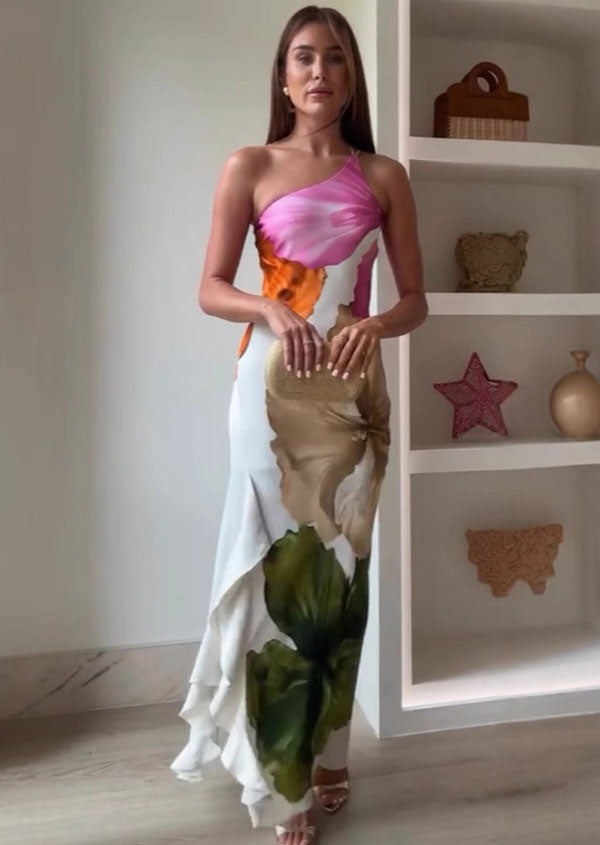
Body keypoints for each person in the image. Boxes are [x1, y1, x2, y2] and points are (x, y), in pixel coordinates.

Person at [169, 5, 427, 843]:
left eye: (336, 58)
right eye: (305, 58)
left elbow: (416, 300)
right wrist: (268, 308)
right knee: (278, 568)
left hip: (352, 398)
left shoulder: (383, 175)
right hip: (268, 392)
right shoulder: (248, 165)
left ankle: (331, 751)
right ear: (283, 77)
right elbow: (210, 287)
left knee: (343, 576)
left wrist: (376, 325)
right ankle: (284, 778)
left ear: (352, 79)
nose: (320, 72)